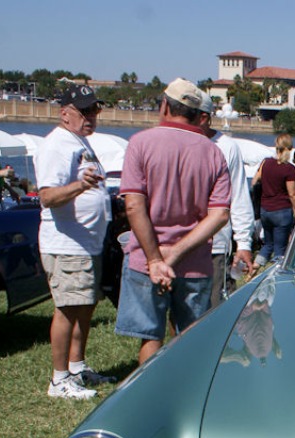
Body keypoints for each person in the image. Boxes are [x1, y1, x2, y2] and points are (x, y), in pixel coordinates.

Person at [115, 78, 231, 366]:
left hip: (146, 260)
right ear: (195, 114)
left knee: (150, 338)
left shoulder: (140, 143)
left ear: (165, 105)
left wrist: (156, 259)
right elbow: (220, 213)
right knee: (191, 338)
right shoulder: (212, 152)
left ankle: (150, 398)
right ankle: (188, 400)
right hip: (195, 263)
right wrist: (176, 253)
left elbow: (133, 204)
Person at [35, 84, 115, 400]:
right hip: (67, 244)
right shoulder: (56, 146)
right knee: (67, 309)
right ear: (65, 113)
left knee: (85, 307)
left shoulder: (79, 142)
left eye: (95, 110)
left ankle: (77, 367)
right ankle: (58, 380)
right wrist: (81, 186)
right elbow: (47, 196)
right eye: (85, 111)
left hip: (87, 244)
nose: (92, 116)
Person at [197, 92, 255, 308]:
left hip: (215, 247)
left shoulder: (227, 147)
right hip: (178, 244)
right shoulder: (178, 142)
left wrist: (243, 243)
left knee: (214, 309)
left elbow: (239, 195)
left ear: (203, 117)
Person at [251, 133, 295, 273]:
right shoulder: (289, 169)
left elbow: (254, 181)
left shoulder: (265, 163)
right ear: (289, 148)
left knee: (268, 244)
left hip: (265, 210)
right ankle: (276, 274)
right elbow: (293, 194)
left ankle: (253, 268)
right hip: (281, 211)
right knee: (280, 249)